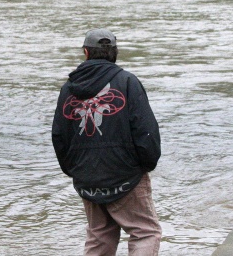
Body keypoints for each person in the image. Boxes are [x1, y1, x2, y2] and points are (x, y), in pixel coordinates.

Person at [52, 28, 162, 256]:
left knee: (99, 236)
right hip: (126, 175)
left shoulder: (68, 89)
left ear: (86, 53)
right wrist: (145, 166)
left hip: (87, 175)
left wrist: (75, 170)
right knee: (145, 232)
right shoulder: (128, 82)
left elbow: (59, 136)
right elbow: (146, 131)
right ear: (115, 53)